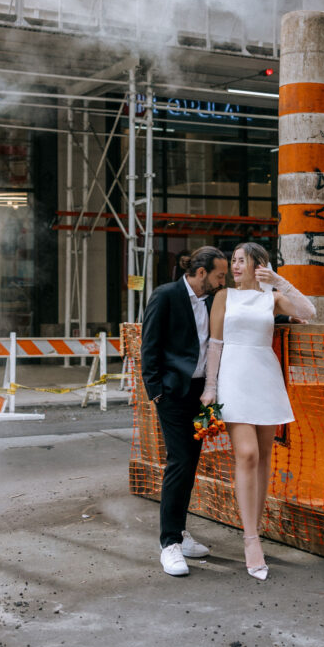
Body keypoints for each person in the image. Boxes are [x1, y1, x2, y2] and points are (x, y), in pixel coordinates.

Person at [201, 242, 316, 581]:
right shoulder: (224, 297)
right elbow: (215, 343)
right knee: (247, 454)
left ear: (258, 265)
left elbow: (309, 311)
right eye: (234, 261)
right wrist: (210, 386)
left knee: (265, 455)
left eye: (242, 261)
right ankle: (250, 538)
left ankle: (257, 526)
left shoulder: (272, 296)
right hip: (234, 377)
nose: (235, 266)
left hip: (265, 375)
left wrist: (279, 280)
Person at [141, 245, 229, 577]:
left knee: (190, 462)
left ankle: (179, 532)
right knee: (179, 461)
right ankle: (169, 544)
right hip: (173, 394)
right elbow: (148, 346)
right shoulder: (165, 296)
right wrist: (157, 393)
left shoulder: (213, 300)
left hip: (203, 395)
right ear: (202, 272)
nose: (223, 280)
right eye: (220, 274)